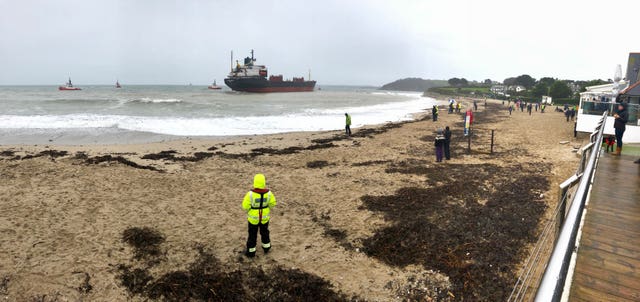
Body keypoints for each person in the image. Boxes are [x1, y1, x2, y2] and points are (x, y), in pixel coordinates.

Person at [242, 174, 277, 258]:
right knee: (265, 233)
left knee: (252, 235)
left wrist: (252, 208)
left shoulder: (250, 194)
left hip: (253, 219)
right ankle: (266, 247)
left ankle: (251, 252)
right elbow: (273, 204)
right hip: (264, 218)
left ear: (255, 182)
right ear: (264, 182)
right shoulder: (269, 193)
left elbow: (245, 206)